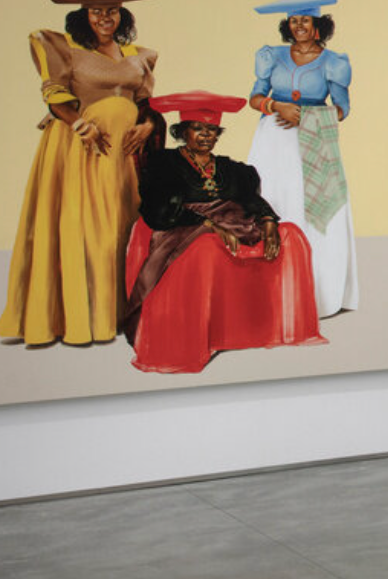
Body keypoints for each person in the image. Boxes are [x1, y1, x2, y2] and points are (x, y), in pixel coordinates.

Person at [0, 0, 165, 348]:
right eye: (96, 11)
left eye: (112, 11)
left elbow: (147, 105)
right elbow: (55, 97)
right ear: (82, 16)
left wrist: (148, 124)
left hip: (125, 156)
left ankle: (121, 312)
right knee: (85, 228)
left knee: (123, 226)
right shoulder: (62, 49)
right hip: (82, 147)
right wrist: (79, 124)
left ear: (122, 14)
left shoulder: (139, 55)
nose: (105, 18)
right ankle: (82, 317)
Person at [123, 92, 322, 373]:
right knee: (207, 249)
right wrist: (207, 225)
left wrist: (267, 219)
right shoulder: (163, 164)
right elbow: (159, 207)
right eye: (199, 129)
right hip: (181, 225)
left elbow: (250, 199)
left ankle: (261, 327)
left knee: (291, 236)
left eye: (212, 130)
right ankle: (204, 333)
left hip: (234, 223)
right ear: (182, 132)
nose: (206, 136)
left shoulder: (232, 168)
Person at [245, 0, 357, 318]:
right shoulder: (272, 56)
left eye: (305, 20)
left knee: (309, 208)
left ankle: (316, 291)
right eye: (294, 21)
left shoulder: (334, 62)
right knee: (273, 200)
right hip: (272, 142)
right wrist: (275, 106)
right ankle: (269, 291)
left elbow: (341, 108)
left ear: (318, 24)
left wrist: (308, 117)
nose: (299, 27)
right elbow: (254, 96)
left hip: (312, 141)